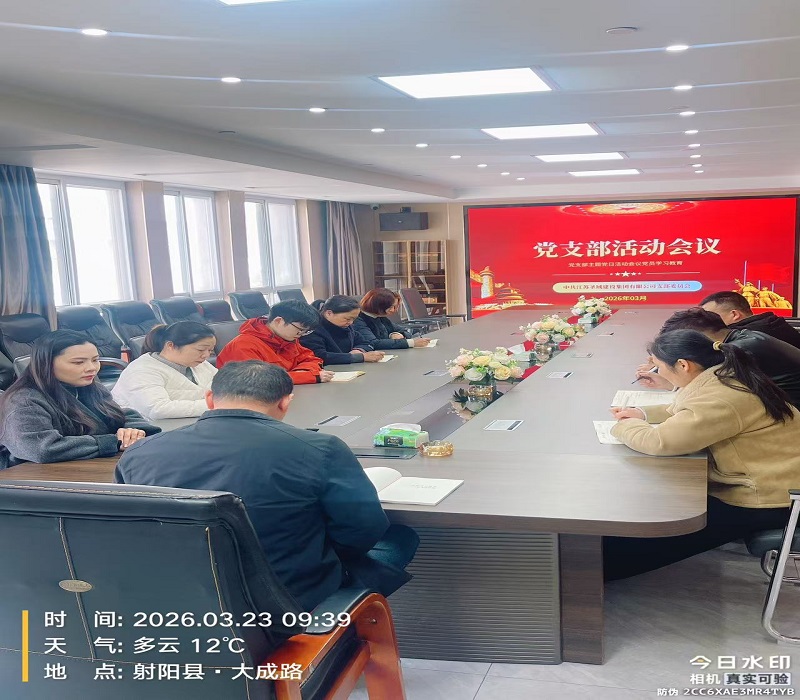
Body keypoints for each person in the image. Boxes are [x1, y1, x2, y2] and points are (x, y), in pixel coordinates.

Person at [115, 361, 419, 610]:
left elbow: (131, 532)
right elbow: (363, 531)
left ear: (209, 399)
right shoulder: (319, 448)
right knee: (399, 538)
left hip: (182, 596)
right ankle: (344, 632)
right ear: (285, 402)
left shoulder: (139, 454)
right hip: (289, 601)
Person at [607, 329, 800, 580]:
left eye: (658, 367)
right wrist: (642, 414)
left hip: (769, 499)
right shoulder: (725, 377)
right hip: (777, 483)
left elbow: (659, 442)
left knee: (627, 547)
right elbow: (687, 410)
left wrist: (624, 426)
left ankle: (591, 570)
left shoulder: (722, 397)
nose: (657, 373)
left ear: (683, 365)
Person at [0, 330, 159, 469]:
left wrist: (132, 432)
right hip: (32, 480)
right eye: (78, 362)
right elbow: (42, 449)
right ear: (46, 363)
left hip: (85, 467)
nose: (92, 368)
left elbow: (119, 414)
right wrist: (114, 441)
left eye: (95, 360)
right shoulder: (25, 401)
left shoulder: (88, 386)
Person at [634, 307, 800, 408]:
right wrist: (669, 380)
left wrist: (669, 373)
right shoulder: (742, 337)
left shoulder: (738, 350)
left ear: (695, 337)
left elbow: (706, 390)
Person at [111, 321, 218, 420]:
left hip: (191, 421)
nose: (206, 355)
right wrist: (217, 404)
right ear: (170, 346)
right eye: (200, 349)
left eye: (210, 350)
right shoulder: (142, 371)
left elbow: (222, 384)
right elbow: (157, 409)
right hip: (146, 427)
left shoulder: (197, 363)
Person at [216, 299, 333, 384]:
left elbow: (311, 358)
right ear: (278, 321)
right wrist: (306, 377)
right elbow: (257, 380)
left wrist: (301, 373)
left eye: (306, 332)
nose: (301, 335)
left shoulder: (288, 338)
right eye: (300, 330)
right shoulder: (244, 345)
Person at [301, 295, 385, 365]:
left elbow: (366, 342)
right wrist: (359, 357)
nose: (351, 323)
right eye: (347, 319)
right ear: (329, 313)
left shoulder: (345, 326)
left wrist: (358, 350)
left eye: (354, 319)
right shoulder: (312, 330)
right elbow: (320, 356)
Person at [700, 290, 800, 349]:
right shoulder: (774, 324)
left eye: (711, 316)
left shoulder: (745, 338)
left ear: (735, 314)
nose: (707, 321)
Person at [354, 288, 431, 350]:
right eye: (391, 307)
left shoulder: (380, 317)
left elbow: (404, 331)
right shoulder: (358, 320)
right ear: (378, 306)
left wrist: (395, 334)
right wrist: (411, 343)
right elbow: (374, 343)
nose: (394, 310)